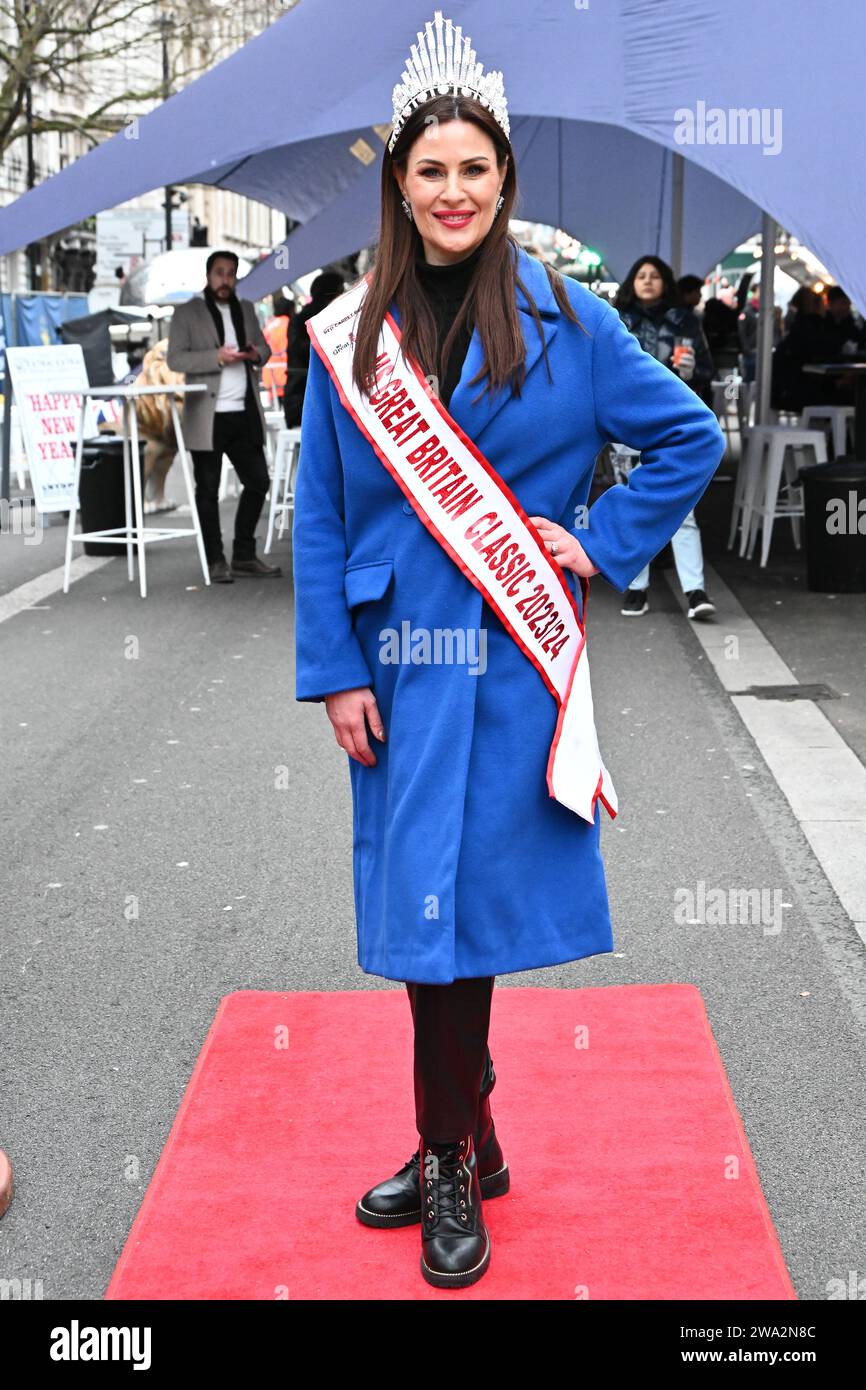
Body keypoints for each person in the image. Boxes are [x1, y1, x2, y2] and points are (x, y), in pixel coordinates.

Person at [292, 7, 724, 1291]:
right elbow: (317, 511)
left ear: (503, 182)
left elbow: (688, 436)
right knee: (424, 915)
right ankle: (467, 1140)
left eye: (474, 168)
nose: (452, 189)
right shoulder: (347, 333)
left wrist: (591, 538)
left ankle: (443, 1154)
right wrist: (332, 668)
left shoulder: (568, 318)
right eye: (429, 170)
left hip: (508, 670)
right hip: (395, 669)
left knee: (456, 922)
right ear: (397, 185)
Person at [167, 250, 281, 582]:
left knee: (258, 481)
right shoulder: (188, 313)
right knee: (208, 490)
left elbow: (264, 348)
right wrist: (215, 357)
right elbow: (175, 359)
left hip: (244, 412)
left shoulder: (245, 309)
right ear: (208, 276)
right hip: (208, 415)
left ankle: (244, 554)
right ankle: (215, 559)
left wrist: (253, 353)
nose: (225, 279)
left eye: (230, 273)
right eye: (219, 273)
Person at [613, 255, 717, 619]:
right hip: (626, 420)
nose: (647, 281)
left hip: (673, 417)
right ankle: (637, 587)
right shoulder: (617, 319)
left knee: (683, 508)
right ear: (631, 281)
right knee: (633, 503)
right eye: (640, 275)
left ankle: (695, 590)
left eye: (654, 275)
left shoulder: (685, 318)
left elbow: (707, 367)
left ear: (665, 281)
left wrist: (692, 369)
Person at [283, 272, 345, 427]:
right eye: (340, 290)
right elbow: (301, 350)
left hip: (323, 399)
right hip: (303, 401)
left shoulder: (333, 317)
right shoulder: (305, 319)